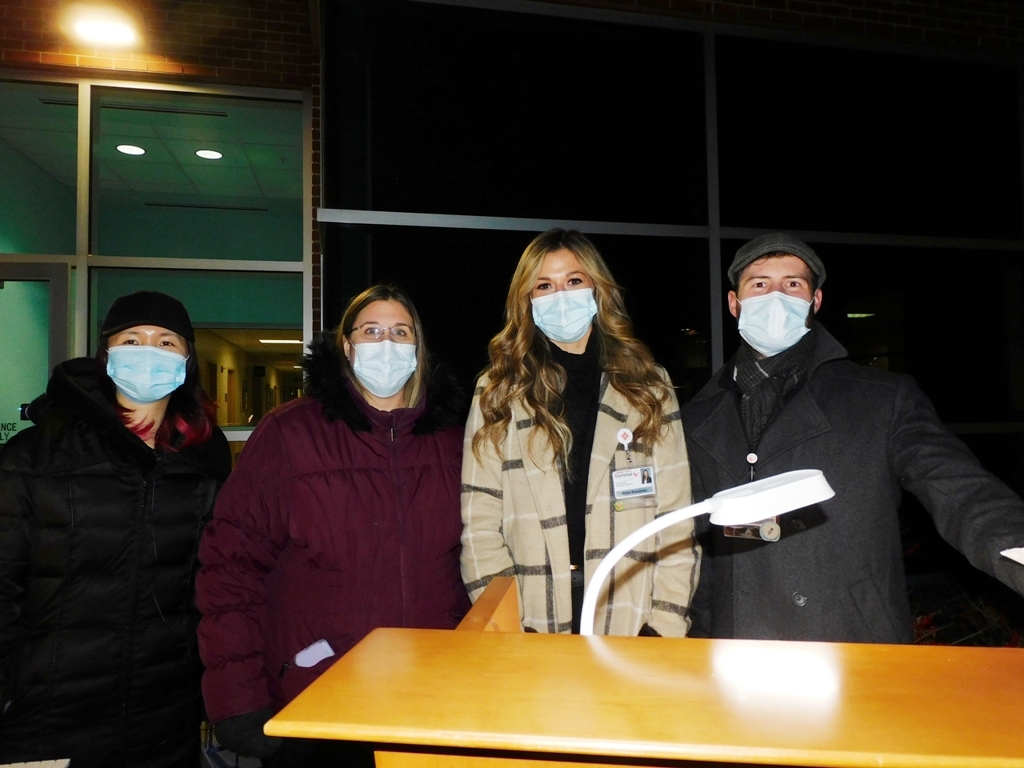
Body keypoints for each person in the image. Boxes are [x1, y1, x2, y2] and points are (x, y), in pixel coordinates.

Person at [682, 232, 1024, 643]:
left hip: (850, 639)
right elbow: (694, 550)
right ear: (734, 303)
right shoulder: (696, 418)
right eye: (759, 284)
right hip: (737, 645)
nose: (776, 297)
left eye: (793, 284)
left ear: (815, 301)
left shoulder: (881, 398)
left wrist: (1015, 545)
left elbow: (959, 489)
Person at [197, 284, 469, 767]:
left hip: (432, 697)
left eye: (400, 332)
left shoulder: (453, 439)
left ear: (418, 347)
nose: (386, 344)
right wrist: (238, 698)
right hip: (317, 694)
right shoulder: (290, 433)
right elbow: (230, 568)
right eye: (371, 331)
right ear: (346, 345)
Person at [0, 291, 230, 768]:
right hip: (46, 723)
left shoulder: (203, 464)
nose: (148, 351)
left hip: (165, 722)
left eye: (166, 342)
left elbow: (210, 588)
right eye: (132, 339)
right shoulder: (37, 457)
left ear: (187, 361)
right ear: (106, 355)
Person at [461, 228, 700, 635]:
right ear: (526, 299)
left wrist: (663, 625)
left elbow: (676, 521)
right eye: (544, 285)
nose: (560, 296)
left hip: (629, 615)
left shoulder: (648, 387)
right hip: (530, 617)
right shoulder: (498, 392)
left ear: (597, 289)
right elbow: (480, 523)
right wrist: (509, 628)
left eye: (574, 281)